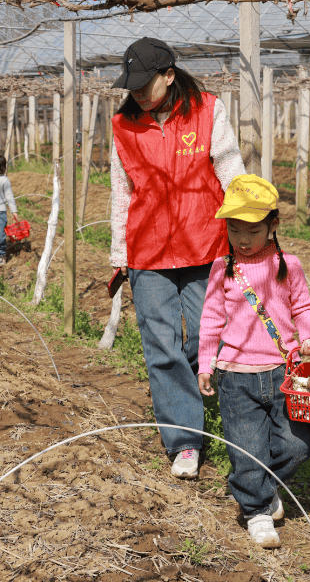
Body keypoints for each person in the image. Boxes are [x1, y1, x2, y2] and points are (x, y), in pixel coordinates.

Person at [109, 37, 246, 479]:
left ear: (169, 75)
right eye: (131, 87)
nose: (136, 95)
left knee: (209, 339)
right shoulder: (123, 126)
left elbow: (229, 166)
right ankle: (185, 440)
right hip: (147, 250)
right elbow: (120, 191)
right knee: (161, 347)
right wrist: (120, 253)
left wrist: (249, 227)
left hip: (205, 243)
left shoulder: (207, 110)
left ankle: (223, 416)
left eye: (143, 86)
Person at [197, 175, 310, 549]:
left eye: (253, 230)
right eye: (234, 230)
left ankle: (261, 487)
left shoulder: (289, 265)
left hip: (285, 374)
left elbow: (302, 306)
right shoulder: (223, 268)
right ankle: (257, 511)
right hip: (237, 376)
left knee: (301, 445)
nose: (243, 240)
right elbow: (210, 318)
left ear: (273, 225)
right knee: (247, 448)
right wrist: (206, 363)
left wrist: (309, 333)